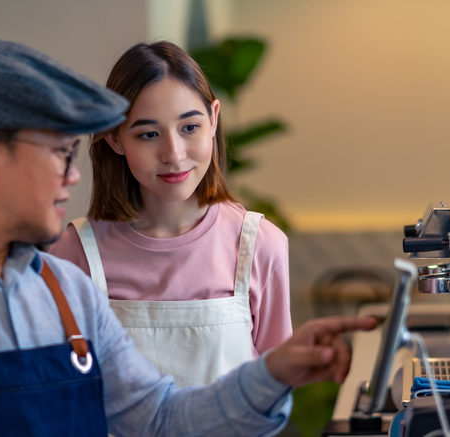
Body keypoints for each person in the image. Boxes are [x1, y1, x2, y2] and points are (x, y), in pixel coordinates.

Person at [0, 38, 376, 437]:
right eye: (58, 153)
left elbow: (162, 418)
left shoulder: (64, 291)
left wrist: (275, 370)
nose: (74, 175)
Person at [49, 41, 291, 387]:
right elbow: (62, 393)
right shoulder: (74, 255)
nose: (173, 154)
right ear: (116, 139)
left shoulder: (260, 246)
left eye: (189, 127)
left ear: (213, 118)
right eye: (148, 134)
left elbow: (276, 392)